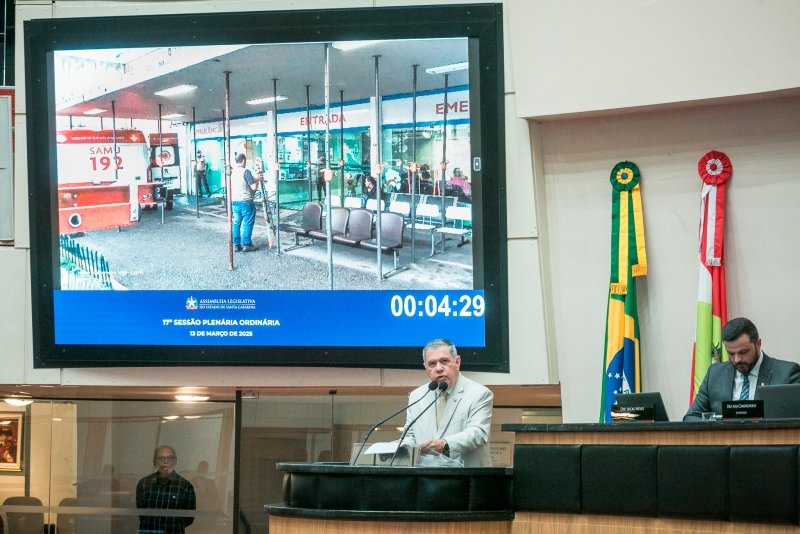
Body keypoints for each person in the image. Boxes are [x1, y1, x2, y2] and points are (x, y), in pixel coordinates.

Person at [683, 317, 800, 421]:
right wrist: (718, 427)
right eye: (731, 353)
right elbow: (691, 417)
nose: (737, 359)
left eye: (743, 352)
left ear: (758, 344)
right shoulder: (715, 374)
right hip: (726, 443)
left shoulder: (787, 374)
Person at [401, 338, 493, 467]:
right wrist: (402, 446)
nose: (438, 368)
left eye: (444, 361)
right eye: (432, 364)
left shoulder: (479, 393)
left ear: (457, 362)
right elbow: (410, 435)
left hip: (466, 479)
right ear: (426, 367)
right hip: (425, 478)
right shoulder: (417, 396)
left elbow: (478, 433)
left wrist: (445, 444)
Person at [136, 445, 196, 534]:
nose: (165, 461)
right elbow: (141, 512)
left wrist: (173, 527)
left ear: (175, 461)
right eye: (161, 458)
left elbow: (189, 518)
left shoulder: (185, 486)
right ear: (154, 461)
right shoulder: (144, 483)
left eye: (170, 458)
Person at [230, 152, 262, 252]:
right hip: (246, 202)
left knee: (236, 223)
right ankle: (247, 244)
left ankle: (236, 245)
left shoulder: (232, 172)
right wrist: (258, 180)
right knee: (247, 223)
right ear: (243, 161)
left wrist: (254, 179)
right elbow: (253, 187)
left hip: (235, 202)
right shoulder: (246, 172)